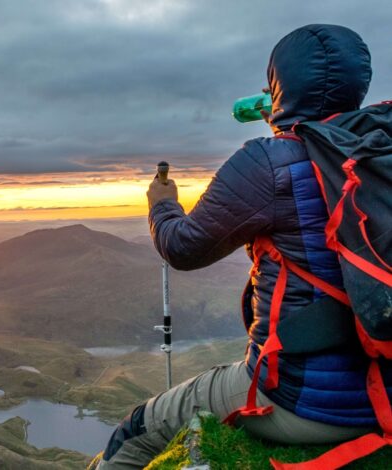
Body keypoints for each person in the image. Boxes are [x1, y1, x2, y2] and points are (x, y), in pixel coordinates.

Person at [92, 24, 391, 470]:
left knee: (138, 427)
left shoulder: (269, 162)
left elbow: (183, 248)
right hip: (383, 389)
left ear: (279, 83)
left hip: (305, 405)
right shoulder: (378, 152)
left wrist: (162, 206)